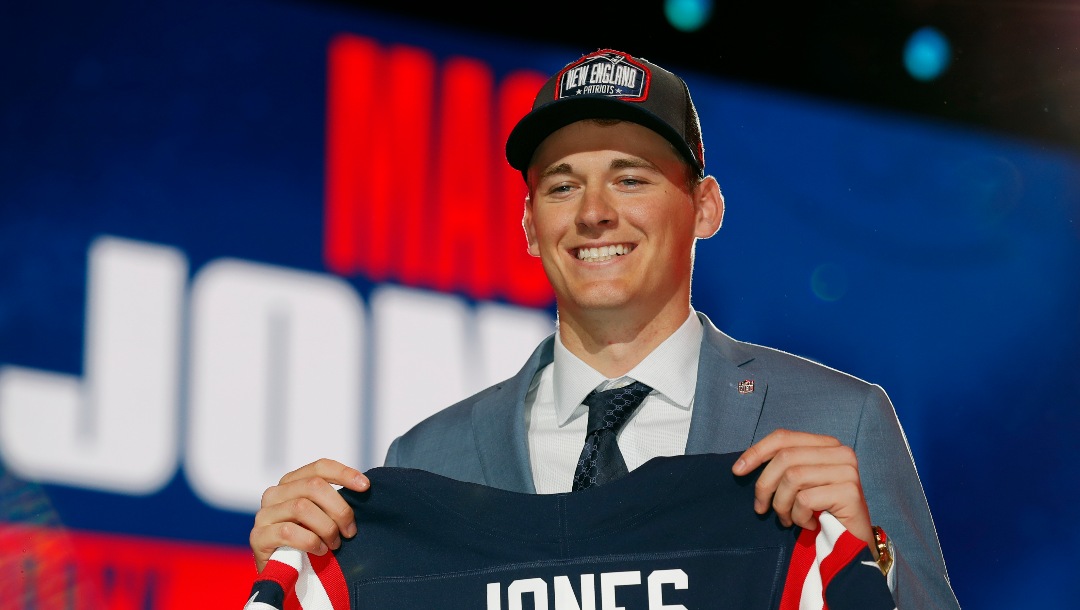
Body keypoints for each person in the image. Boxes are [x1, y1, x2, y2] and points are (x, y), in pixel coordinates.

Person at [250, 48, 960, 609]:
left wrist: (874, 559)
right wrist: (297, 569)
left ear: (705, 208)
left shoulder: (842, 420)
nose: (593, 213)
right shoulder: (429, 456)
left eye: (631, 178)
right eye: (562, 185)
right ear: (530, 226)